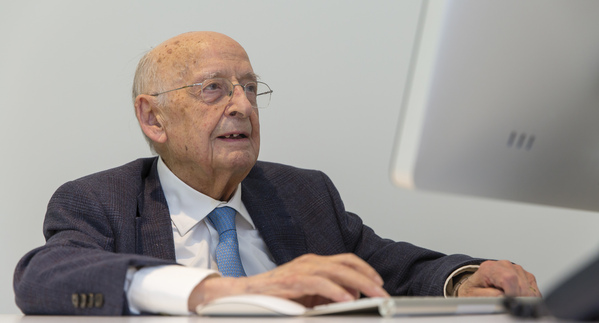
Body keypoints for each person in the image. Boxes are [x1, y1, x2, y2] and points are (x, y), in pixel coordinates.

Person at [13, 31, 540, 316]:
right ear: (153, 118)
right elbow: (43, 283)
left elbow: (390, 268)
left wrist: (465, 280)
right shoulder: (100, 200)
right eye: (213, 88)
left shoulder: (302, 192)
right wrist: (208, 292)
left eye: (249, 87)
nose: (241, 104)